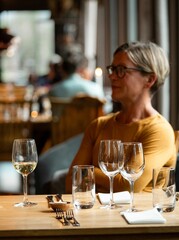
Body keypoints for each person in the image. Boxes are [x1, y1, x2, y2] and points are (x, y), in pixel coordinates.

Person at [65, 41, 176, 194]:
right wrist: (108, 176)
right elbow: (71, 180)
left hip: (138, 216)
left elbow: (128, 185)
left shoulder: (159, 130)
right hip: (94, 214)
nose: (111, 76)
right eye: (112, 69)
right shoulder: (98, 125)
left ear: (150, 79)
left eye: (121, 70)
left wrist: (89, 172)